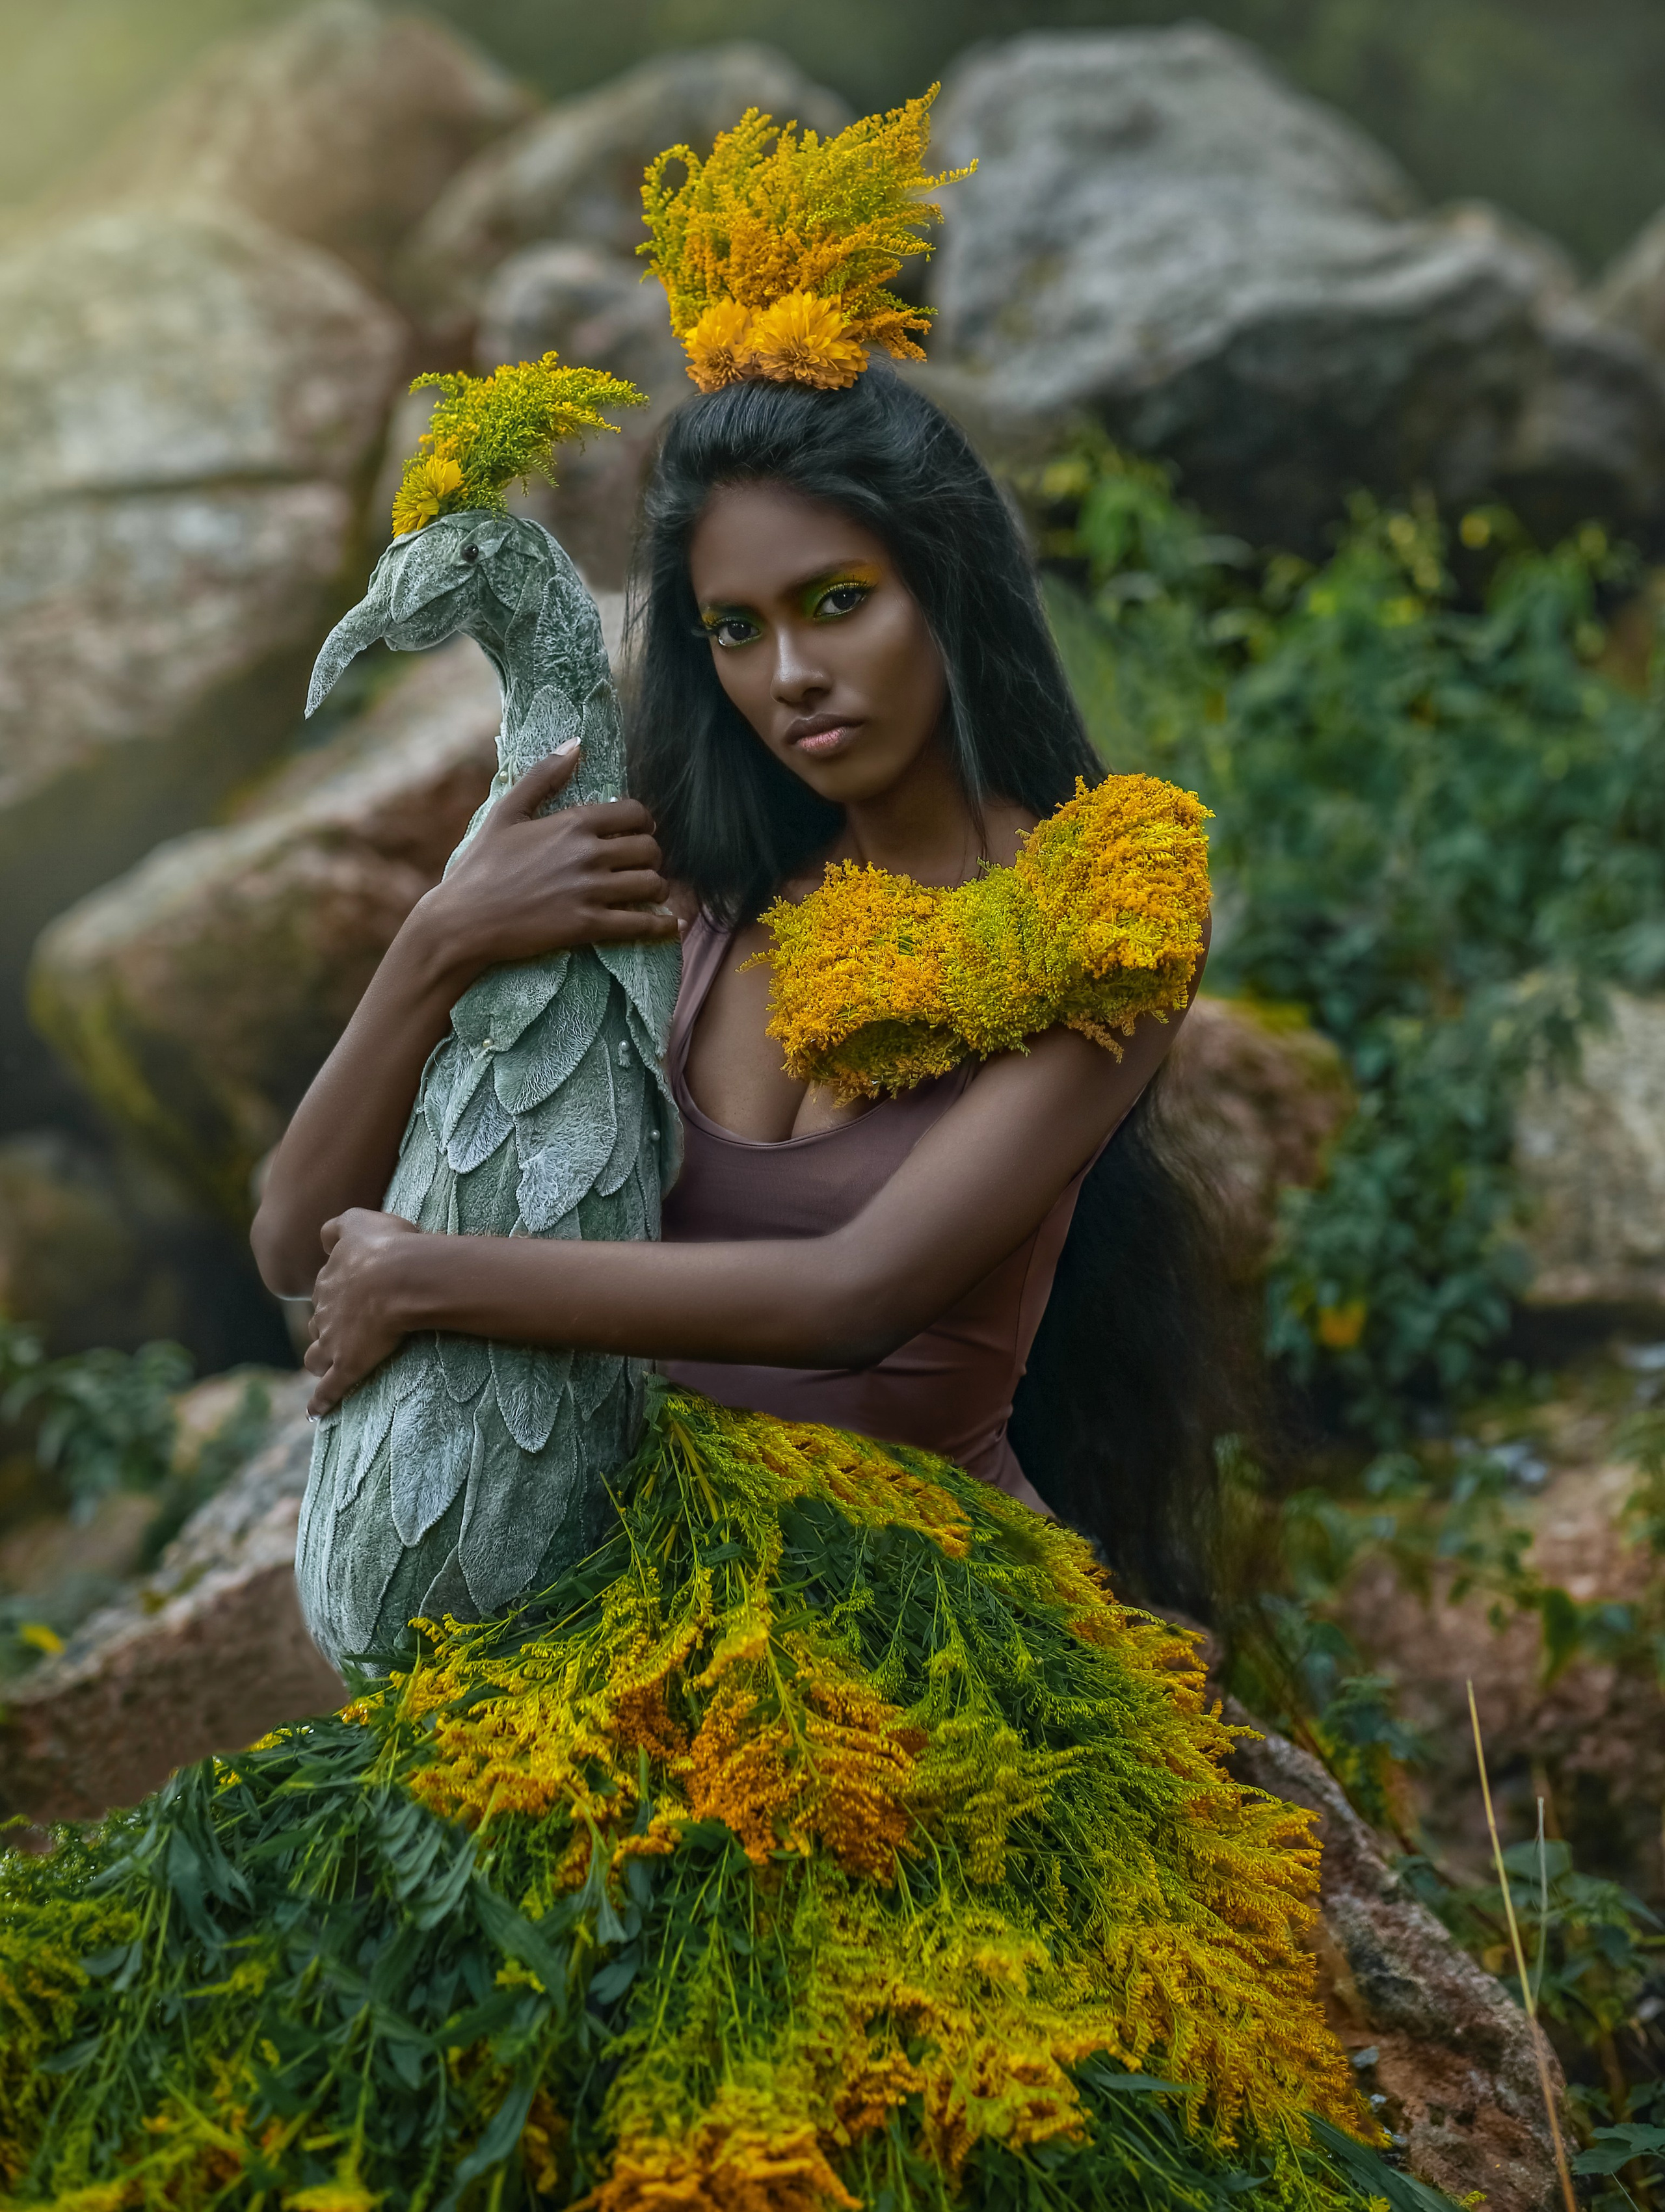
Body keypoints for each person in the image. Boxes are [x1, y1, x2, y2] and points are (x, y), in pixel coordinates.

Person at [0, 94, 1420, 2212]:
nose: (785, 679)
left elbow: (858, 1295)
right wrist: (430, 942)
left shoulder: (1100, 907)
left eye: (834, 605)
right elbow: (306, 1228)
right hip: (603, 1567)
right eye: (736, 629)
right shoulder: (690, 885)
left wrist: (434, 1280)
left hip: (901, 1609)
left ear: (946, 587)